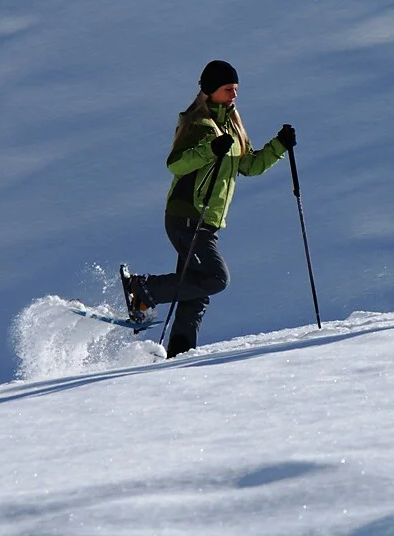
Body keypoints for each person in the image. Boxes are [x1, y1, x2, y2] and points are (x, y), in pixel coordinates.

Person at [120, 59, 296, 358]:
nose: (234, 95)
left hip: (207, 221)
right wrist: (210, 149)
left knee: (198, 291)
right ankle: (142, 289)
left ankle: (179, 354)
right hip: (186, 214)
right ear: (211, 90)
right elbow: (176, 163)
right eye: (228, 89)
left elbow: (249, 166)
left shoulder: (232, 125)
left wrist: (279, 145)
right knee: (216, 278)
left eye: (236, 89)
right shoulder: (198, 125)